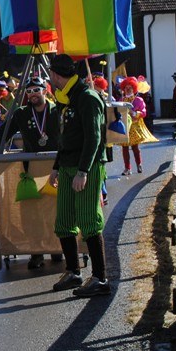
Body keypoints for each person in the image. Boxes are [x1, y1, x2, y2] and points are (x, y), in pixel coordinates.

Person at [47, 54, 111, 297]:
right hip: (67, 165)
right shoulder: (65, 98)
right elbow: (66, 137)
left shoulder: (87, 98)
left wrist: (83, 171)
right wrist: (57, 166)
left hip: (87, 166)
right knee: (63, 221)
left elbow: (94, 138)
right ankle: (73, 272)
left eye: (51, 74)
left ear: (55, 75)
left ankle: (100, 278)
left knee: (88, 220)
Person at [0, 76, 61, 269]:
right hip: (31, 170)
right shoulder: (21, 113)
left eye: (36, 90)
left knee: (54, 210)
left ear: (44, 91)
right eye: (29, 91)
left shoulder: (57, 110)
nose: (32, 94)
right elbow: (4, 131)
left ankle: (57, 247)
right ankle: (36, 253)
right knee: (32, 213)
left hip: (55, 169)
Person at [118, 77, 158, 175]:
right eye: (126, 88)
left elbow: (144, 112)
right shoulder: (121, 100)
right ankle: (127, 168)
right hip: (124, 127)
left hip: (134, 127)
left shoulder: (138, 100)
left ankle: (139, 164)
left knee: (135, 147)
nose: (128, 90)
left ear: (134, 89)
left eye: (130, 88)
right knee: (124, 148)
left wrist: (135, 113)